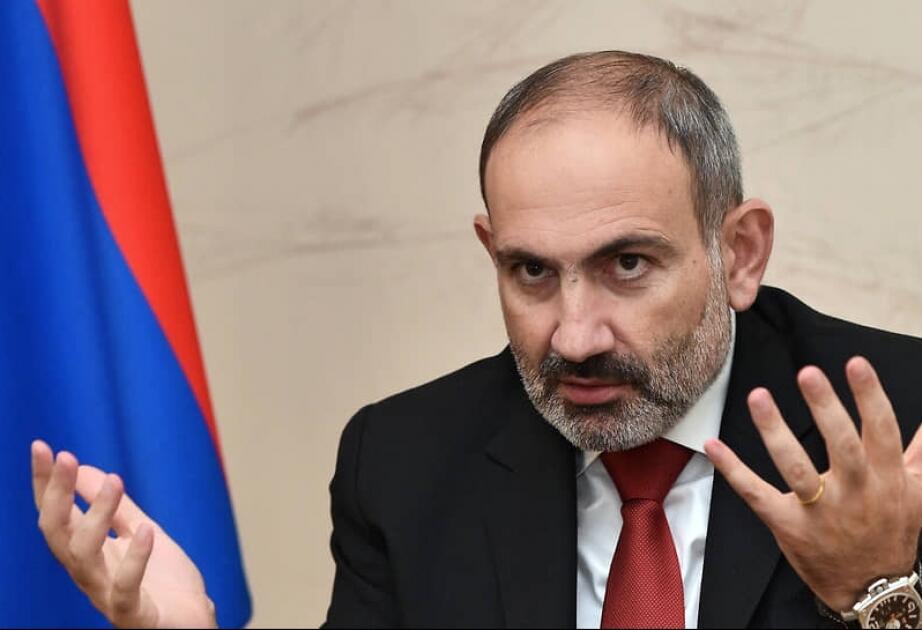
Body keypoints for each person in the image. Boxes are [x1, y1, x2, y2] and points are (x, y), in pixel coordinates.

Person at [32, 50, 922, 629]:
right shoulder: (406, 462)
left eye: (627, 265)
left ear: (739, 252)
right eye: (531, 271)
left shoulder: (906, 420)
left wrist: (879, 593)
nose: (575, 335)